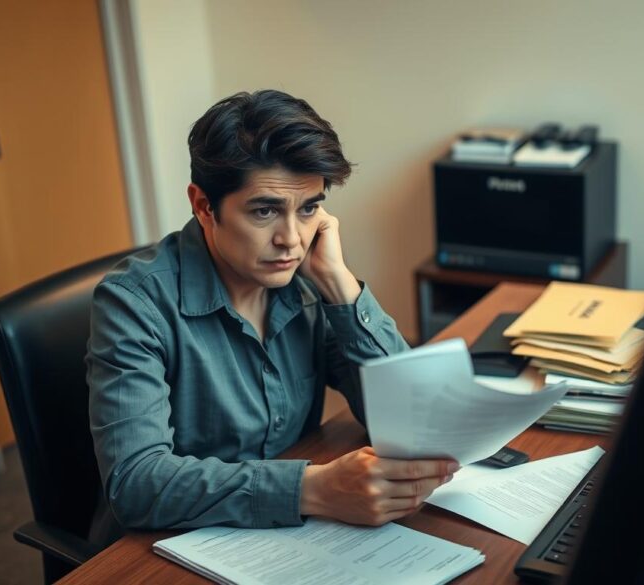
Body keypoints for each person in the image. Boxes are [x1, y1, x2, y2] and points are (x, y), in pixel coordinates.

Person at [86, 90, 458, 541]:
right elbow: (137, 484)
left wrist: (341, 286)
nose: (292, 239)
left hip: (285, 535)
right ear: (204, 206)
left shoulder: (306, 277)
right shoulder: (134, 303)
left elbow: (413, 418)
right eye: (265, 211)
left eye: (309, 209)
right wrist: (314, 488)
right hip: (165, 546)